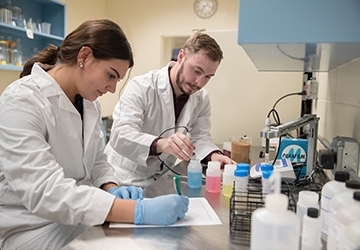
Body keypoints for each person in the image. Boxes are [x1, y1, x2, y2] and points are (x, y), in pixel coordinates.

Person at [0, 19, 188, 250]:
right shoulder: (21, 100)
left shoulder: (89, 103)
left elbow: (98, 158)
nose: (112, 89)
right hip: (31, 227)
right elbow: (44, 190)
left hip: (77, 216)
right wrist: (137, 211)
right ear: (84, 56)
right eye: (110, 75)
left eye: (117, 80)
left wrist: (110, 186)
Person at [105, 32, 236, 188]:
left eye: (208, 77)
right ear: (181, 56)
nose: (199, 82)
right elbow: (121, 135)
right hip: (123, 179)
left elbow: (200, 136)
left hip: (160, 179)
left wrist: (213, 156)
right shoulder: (141, 87)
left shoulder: (201, 98)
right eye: (196, 71)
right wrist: (161, 144)